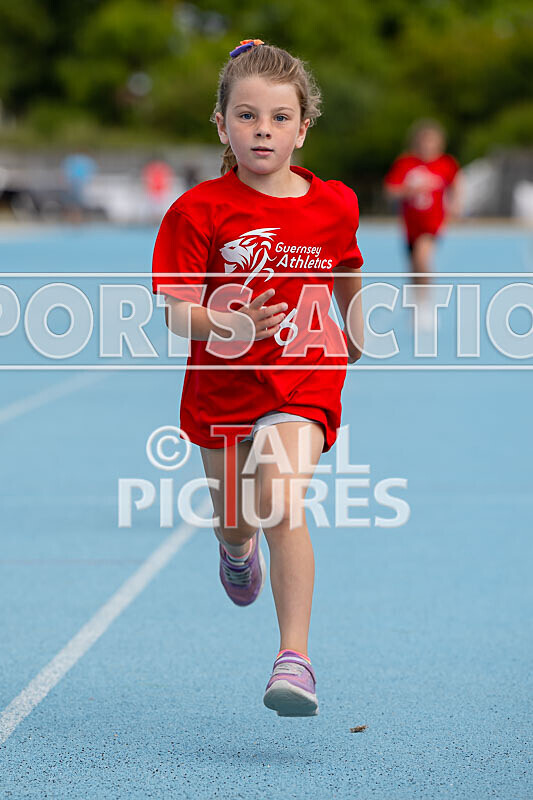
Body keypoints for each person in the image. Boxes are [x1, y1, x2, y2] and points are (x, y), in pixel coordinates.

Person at [152, 39, 364, 717]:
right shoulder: (197, 211)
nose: (262, 130)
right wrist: (226, 326)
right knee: (237, 521)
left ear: (303, 127)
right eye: (246, 116)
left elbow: (346, 264)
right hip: (221, 387)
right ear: (221, 125)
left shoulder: (332, 203)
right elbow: (176, 313)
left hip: (304, 378)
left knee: (278, 497)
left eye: (278, 118)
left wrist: (353, 327)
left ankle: (293, 659)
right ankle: (233, 549)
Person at [384, 119, 461, 327]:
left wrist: (455, 205)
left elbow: (456, 184)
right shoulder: (406, 164)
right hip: (411, 225)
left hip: (432, 223)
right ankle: (416, 303)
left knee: (422, 256)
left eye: (432, 142)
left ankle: (426, 305)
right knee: (413, 266)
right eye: (424, 142)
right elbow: (390, 190)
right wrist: (408, 191)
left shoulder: (446, 163)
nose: (428, 147)